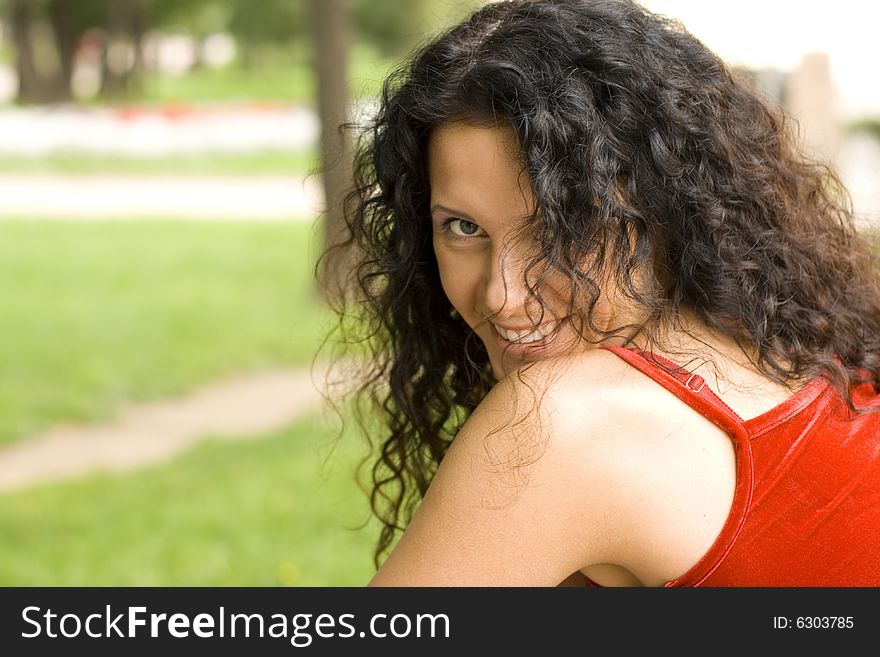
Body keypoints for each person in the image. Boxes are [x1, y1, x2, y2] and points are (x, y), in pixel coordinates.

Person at [317, 0, 880, 586]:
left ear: (667, 209)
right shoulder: (799, 350)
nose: (503, 295)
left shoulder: (563, 423)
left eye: (559, 227)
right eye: (463, 228)